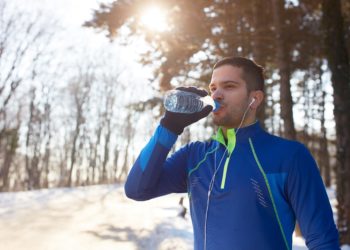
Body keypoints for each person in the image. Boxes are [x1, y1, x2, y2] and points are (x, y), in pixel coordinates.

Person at [124, 56, 340, 250]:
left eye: (229, 86)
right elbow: (136, 189)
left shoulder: (289, 156)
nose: (217, 94)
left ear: (254, 99)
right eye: (213, 88)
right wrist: (169, 127)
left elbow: (323, 241)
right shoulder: (195, 156)